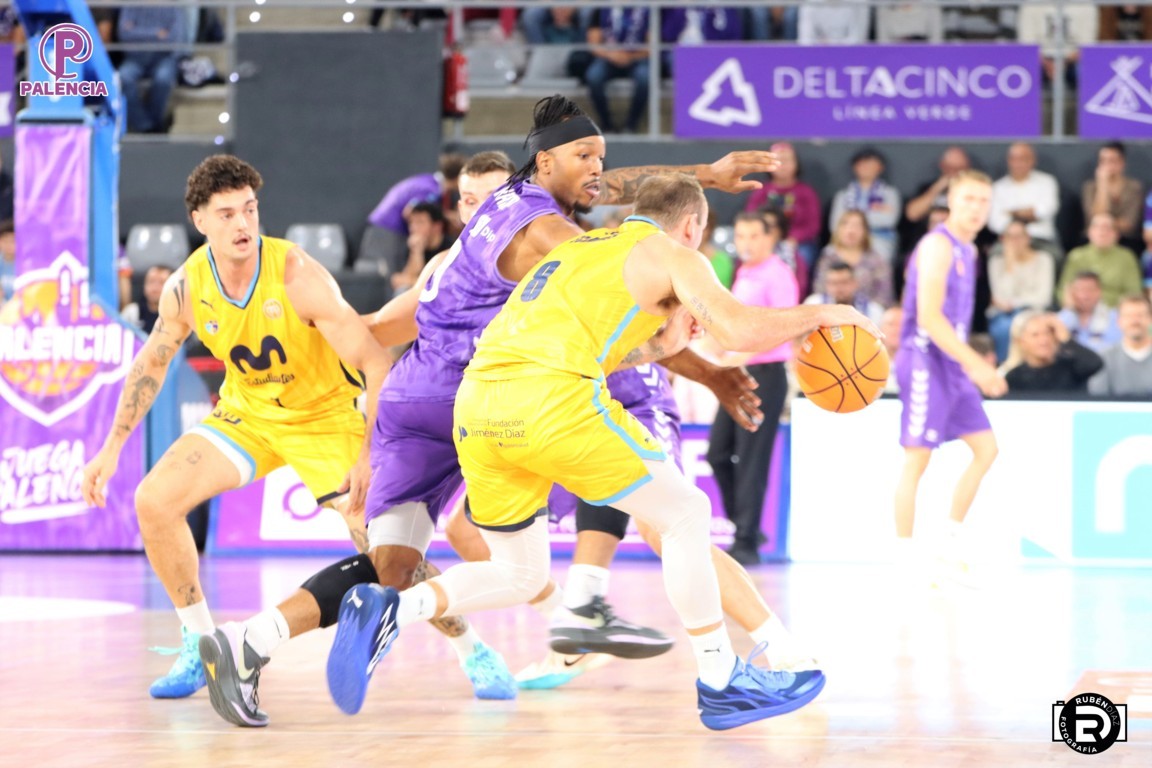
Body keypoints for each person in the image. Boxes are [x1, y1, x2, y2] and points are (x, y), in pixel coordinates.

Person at [196, 98, 783, 726]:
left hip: (408, 401)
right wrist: (703, 358)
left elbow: (378, 328)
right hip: (483, 400)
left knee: (390, 569)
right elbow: (614, 296)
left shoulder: (471, 236)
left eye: (599, 158)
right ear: (545, 163)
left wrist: (703, 174)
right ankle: (586, 607)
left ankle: (248, 641)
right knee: (628, 473)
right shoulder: (550, 235)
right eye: (585, 157)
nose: (597, 171)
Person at [328, 173, 878, 729]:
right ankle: (721, 677)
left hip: (476, 406)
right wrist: (825, 313)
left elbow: (587, 347)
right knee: (686, 513)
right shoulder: (671, 252)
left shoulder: (578, 248)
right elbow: (738, 331)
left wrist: (663, 345)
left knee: (520, 573)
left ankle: (391, 606)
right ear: (692, 225)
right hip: (549, 400)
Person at [79, 155, 392, 700]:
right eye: (227, 214)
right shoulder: (186, 287)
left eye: (249, 209)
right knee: (154, 501)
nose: (243, 224)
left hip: (323, 415)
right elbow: (151, 364)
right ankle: (201, 645)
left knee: (387, 546)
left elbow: (375, 360)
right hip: (247, 415)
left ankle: (470, 648)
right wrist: (111, 448)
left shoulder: (296, 274)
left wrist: (369, 451)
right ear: (199, 221)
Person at [893, 170, 1007, 583]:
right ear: (952, 202)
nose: (976, 208)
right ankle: (905, 557)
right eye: (969, 199)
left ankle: (947, 546)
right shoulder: (937, 245)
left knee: (986, 449)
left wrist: (967, 363)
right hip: (924, 357)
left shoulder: (970, 249)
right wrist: (978, 364)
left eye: (983, 200)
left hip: (952, 361)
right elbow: (929, 317)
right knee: (917, 458)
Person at [707, 211, 798, 565]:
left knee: (751, 459)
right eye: (741, 236)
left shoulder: (778, 274)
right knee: (718, 453)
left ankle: (746, 541)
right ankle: (746, 526)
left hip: (765, 374)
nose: (746, 243)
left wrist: (735, 355)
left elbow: (782, 328)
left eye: (753, 236)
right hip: (738, 372)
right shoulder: (744, 271)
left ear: (769, 238)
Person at [987, 220, 1056, 362]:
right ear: (1003, 240)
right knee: (1004, 328)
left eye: (1019, 236)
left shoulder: (1044, 259)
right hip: (1003, 315)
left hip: (1035, 311)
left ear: (1028, 238)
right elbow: (1001, 296)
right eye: (1010, 237)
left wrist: (1015, 303)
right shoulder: (996, 262)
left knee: (1032, 328)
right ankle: (1006, 368)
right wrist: (1010, 264)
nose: (1015, 241)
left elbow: (1044, 297)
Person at [828, 147, 902, 264]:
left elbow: (889, 220)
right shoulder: (843, 195)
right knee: (829, 254)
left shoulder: (890, 193)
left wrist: (851, 219)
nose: (865, 167)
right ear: (854, 167)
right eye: (861, 163)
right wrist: (873, 213)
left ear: (880, 167)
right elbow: (835, 225)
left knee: (878, 255)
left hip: (879, 240)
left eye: (870, 163)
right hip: (847, 239)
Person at [1002, 312, 1103, 393]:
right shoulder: (1014, 378)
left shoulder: (1071, 367)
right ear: (1021, 341)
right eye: (1035, 335)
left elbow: (1095, 363)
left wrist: (1067, 339)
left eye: (1048, 333)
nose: (1044, 340)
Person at [1057, 214, 1143, 309]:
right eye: (1097, 227)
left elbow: (1134, 292)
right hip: (1080, 310)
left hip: (1115, 310)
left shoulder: (1126, 257)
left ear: (1117, 234)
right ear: (1089, 232)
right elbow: (1064, 289)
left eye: (1108, 228)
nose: (1102, 232)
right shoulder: (1076, 256)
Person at [812, 210, 893, 308]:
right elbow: (819, 289)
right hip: (831, 310)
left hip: (868, 312)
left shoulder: (876, 259)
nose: (850, 230)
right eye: (845, 224)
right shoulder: (828, 256)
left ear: (865, 231)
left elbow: (884, 296)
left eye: (856, 226)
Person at [1088, 294, 1152, 396]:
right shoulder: (1104, 358)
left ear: (1150, 319)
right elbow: (1098, 399)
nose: (1135, 321)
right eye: (1129, 316)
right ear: (1119, 321)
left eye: (1140, 315)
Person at [1057, 271, 1122, 353]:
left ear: (1099, 292)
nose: (1085, 296)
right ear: (1072, 293)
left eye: (1090, 290)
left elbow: (1113, 348)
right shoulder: (1062, 317)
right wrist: (1069, 308)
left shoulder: (1114, 317)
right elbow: (1057, 343)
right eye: (1080, 290)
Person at [804, 260, 885, 326]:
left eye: (844, 282)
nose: (839, 288)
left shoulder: (873, 310)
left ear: (855, 283)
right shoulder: (813, 305)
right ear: (826, 285)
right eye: (834, 283)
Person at [121, 264, 175, 334]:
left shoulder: (178, 316)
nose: (155, 288)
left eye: (161, 283)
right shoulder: (131, 312)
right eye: (151, 281)